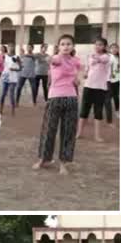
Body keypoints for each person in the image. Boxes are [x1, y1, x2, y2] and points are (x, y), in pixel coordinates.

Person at [34, 35, 82, 175]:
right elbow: (52, 60)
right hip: (55, 98)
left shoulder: (76, 61)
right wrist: (45, 56)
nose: (66, 46)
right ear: (58, 46)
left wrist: (79, 79)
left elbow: (80, 74)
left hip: (71, 99)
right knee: (49, 130)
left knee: (68, 132)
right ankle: (44, 159)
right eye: (63, 44)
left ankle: (64, 163)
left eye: (68, 44)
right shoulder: (57, 59)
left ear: (73, 46)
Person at [76, 37, 111, 142]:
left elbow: (101, 59)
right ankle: (79, 133)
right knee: (84, 111)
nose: (97, 46)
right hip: (88, 86)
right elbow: (88, 68)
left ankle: (97, 136)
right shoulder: (90, 56)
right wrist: (86, 73)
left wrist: (92, 58)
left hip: (100, 88)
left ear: (104, 46)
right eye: (96, 44)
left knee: (98, 112)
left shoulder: (107, 57)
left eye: (100, 44)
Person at [0, 46, 21, 116]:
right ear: (7, 49)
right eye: (9, 48)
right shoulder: (4, 56)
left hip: (13, 79)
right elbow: (2, 64)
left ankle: (13, 110)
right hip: (5, 77)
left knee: (11, 95)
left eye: (12, 47)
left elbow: (20, 68)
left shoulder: (17, 57)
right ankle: (1, 109)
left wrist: (14, 69)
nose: (11, 49)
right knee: (3, 94)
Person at [103, 42, 120, 126]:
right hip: (109, 80)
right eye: (112, 48)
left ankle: (117, 110)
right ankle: (109, 119)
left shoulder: (119, 57)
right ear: (109, 49)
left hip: (118, 80)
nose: (114, 49)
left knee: (116, 96)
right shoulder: (109, 57)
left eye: (116, 48)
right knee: (107, 99)